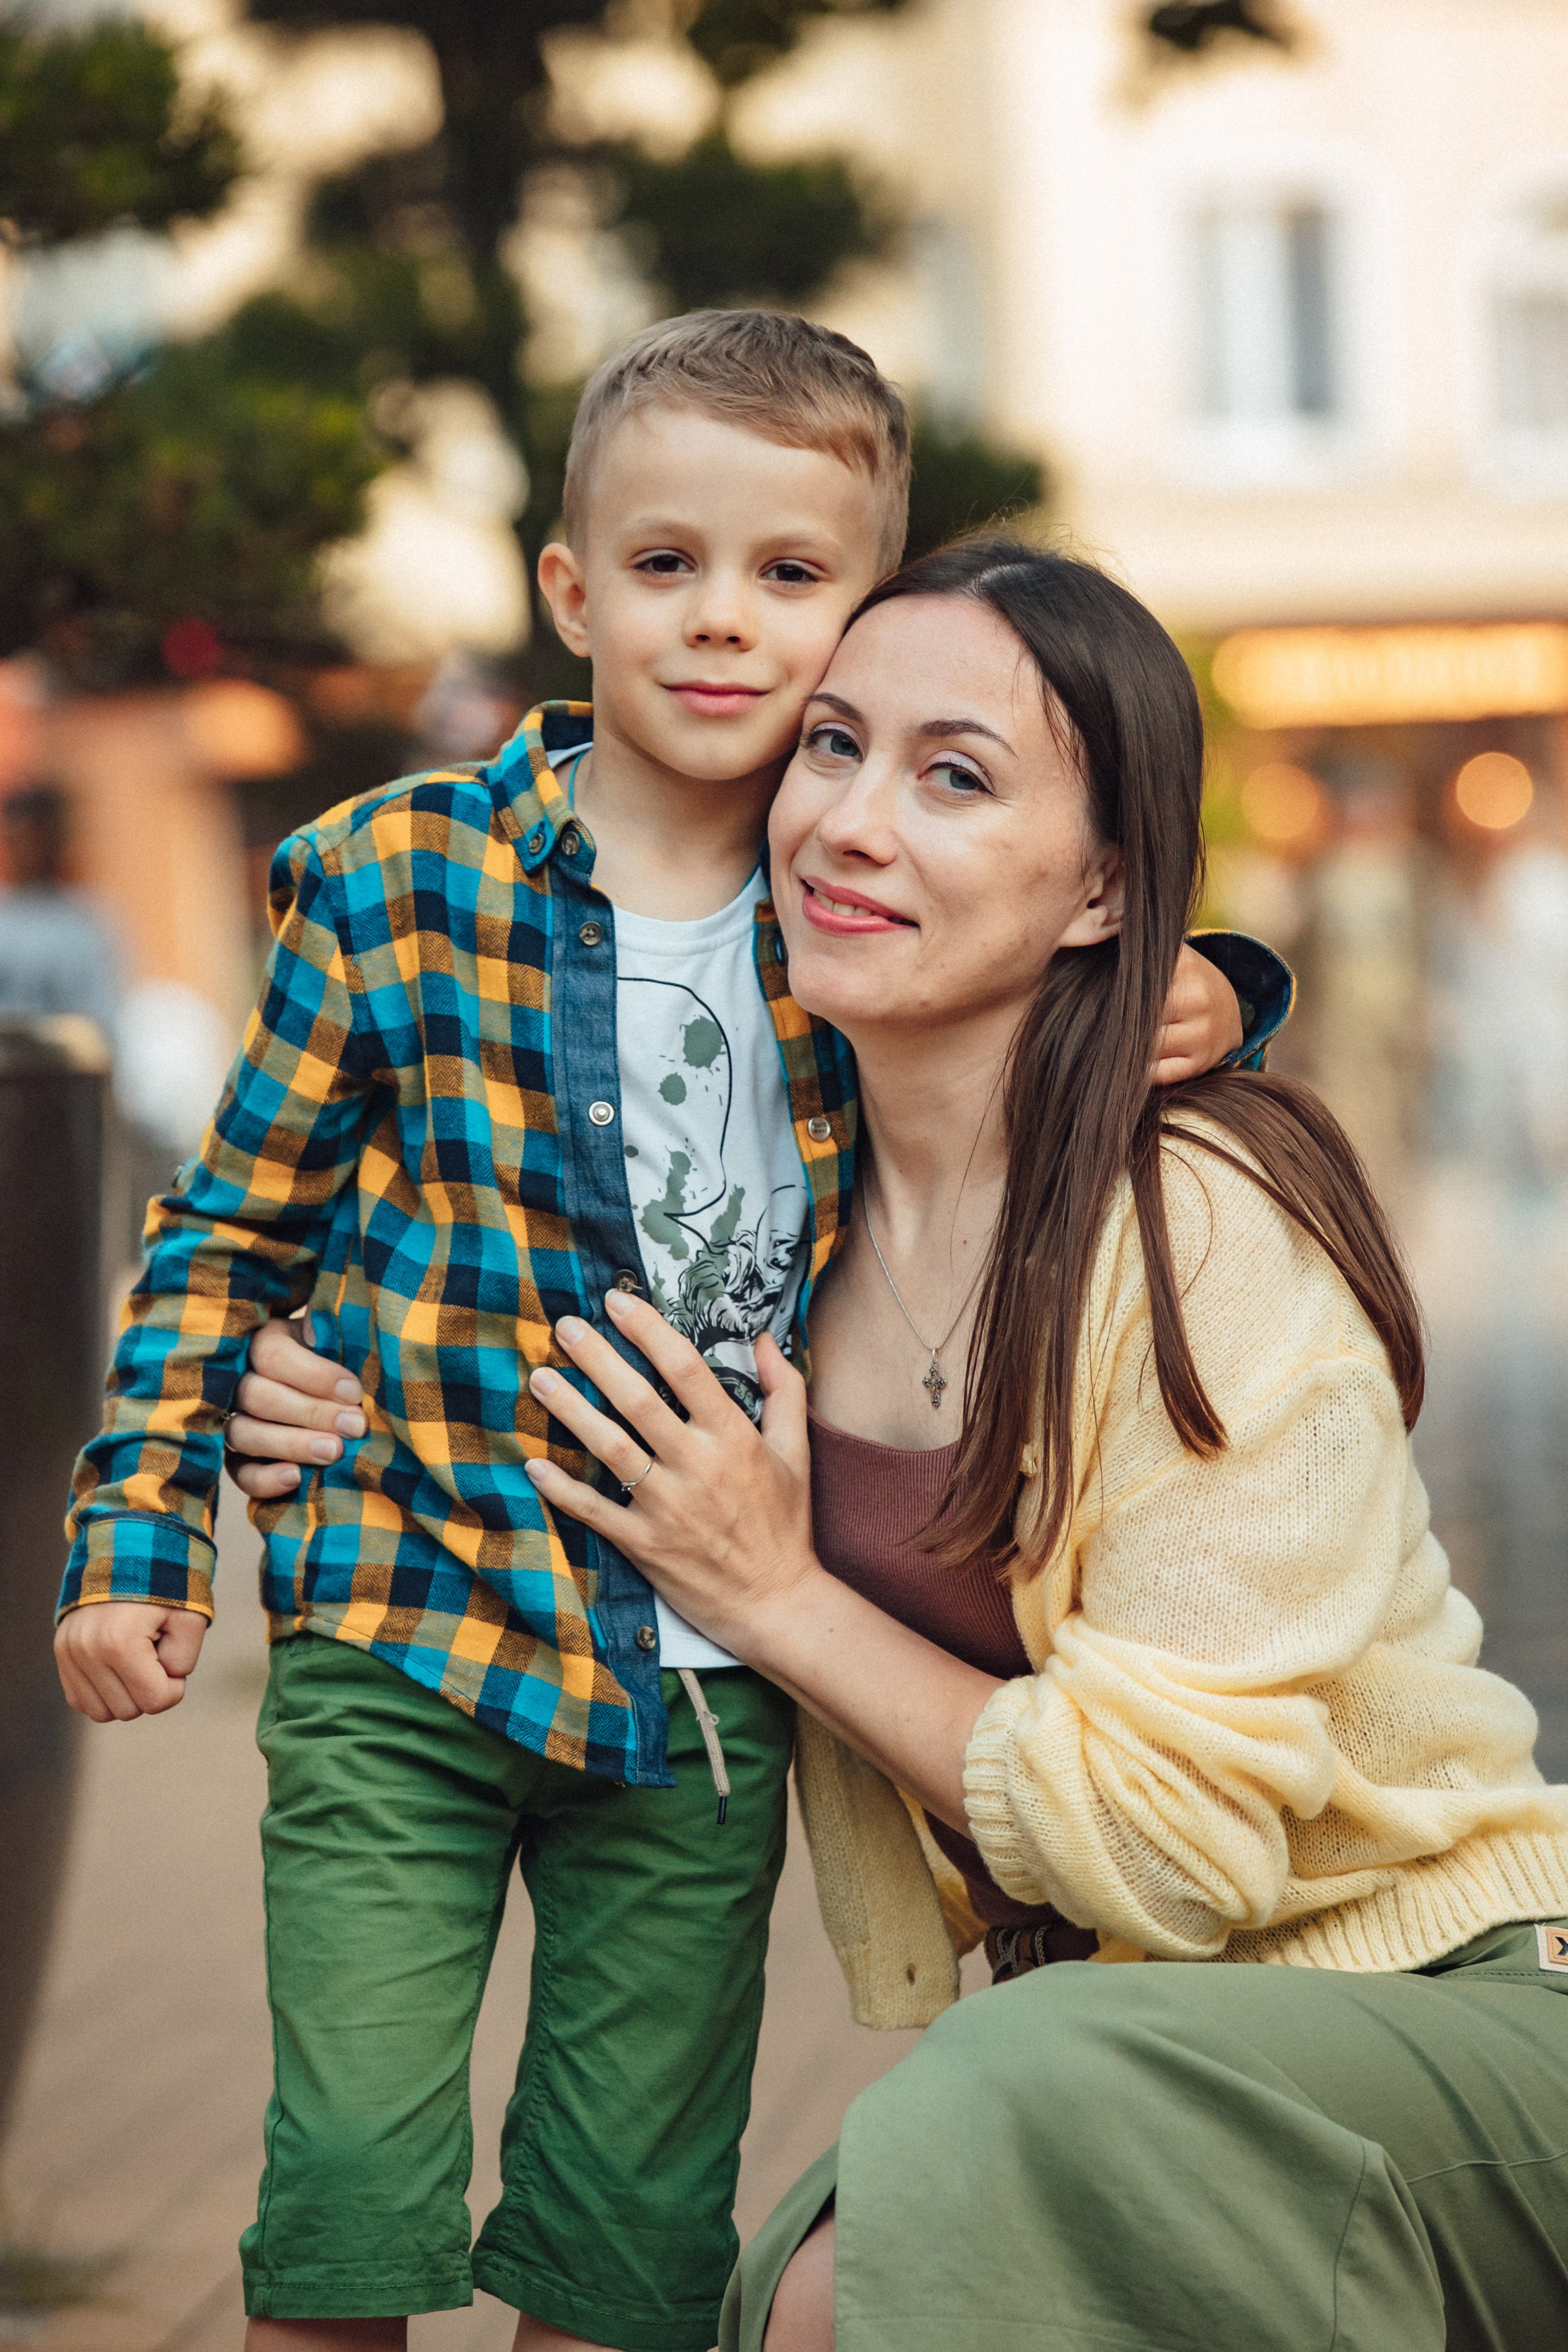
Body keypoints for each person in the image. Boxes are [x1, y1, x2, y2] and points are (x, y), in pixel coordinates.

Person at [52, 315, 1274, 2352]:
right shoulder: (395, 877)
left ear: (864, 621)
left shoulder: (860, 907)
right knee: (347, 2196)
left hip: (701, 1687)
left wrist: (1224, 981)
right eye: (664, 564)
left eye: (790, 576)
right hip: (409, 1614)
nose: (722, 620)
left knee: (630, 2237)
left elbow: (1071, 945)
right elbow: (229, 1226)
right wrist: (138, 1535)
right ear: (570, 591)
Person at [476, 540, 1568, 2352]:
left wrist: (776, 1595)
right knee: (820, 2274)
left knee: (894, 2229)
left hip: (1455, 2000)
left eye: (955, 777)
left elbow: (1176, 1840)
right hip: (1109, 2041)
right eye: (830, 747)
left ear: (1101, 886)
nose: (849, 823)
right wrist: (297, 1380)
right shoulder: (775, 1219)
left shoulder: (1193, 1217)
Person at [0, 785, 121, 1039]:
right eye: (17, 837)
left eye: (36, 837)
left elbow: (100, 1028)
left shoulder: (83, 925)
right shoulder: (6, 917)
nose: (27, 850)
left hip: (57, 1061)